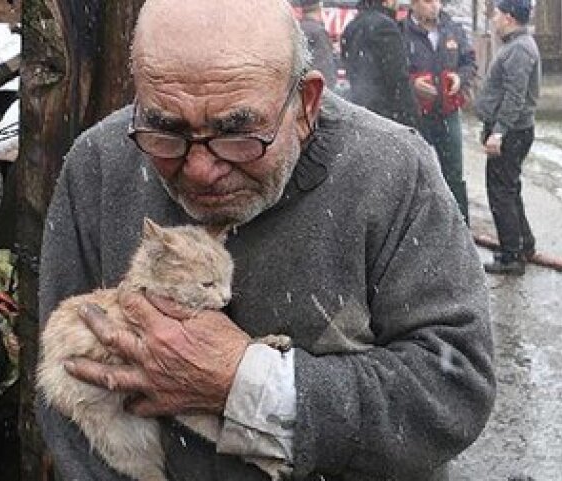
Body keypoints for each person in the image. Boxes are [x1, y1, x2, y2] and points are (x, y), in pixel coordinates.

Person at [36, 0, 495, 480]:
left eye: (238, 133)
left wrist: (248, 384)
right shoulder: (100, 164)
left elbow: (454, 391)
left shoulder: (394, 171)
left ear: (306, 105)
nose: (200, 169)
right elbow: (65, 398)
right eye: (167, 130)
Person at [474, 0, 540, 275]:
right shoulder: (517, 45)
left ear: (510, 17)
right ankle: (523, 243)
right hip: (513, 129)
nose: (494, 18)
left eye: (497, 14)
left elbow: (515, 95)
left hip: (511, 131)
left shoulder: (519, 49)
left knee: (500, 192)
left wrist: (499, 132)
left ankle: (511, 256)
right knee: (510, 188)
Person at [401, 0, 476, 223]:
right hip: (417, 116)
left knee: (454, 173)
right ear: (413, 4)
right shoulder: (401, 33)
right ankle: (423, 228)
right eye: (427, 1)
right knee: (417, 174)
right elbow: (394, 73)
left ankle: (461, 227)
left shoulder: (453, 29)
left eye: (438, 1)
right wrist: (412, 84)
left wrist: (460, 78)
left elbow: (469, 62)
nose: (434, 6)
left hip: (448, 113)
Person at [340, 0, 420, 128]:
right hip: (387, 115)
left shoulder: (352, 26)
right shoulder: (386, 27)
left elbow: (348, 65)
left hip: (360, 111)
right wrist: (412, 118)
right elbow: (397, 77)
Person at [294, 0, 337, 89]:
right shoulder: (318, 32)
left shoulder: (297, 29)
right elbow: (326, 68)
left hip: (300, 89)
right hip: (316, 90)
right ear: (319, 7)